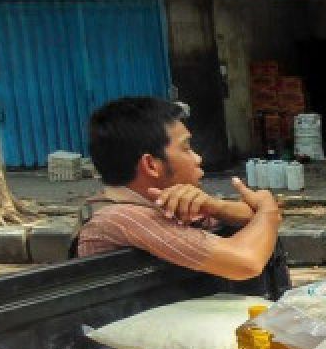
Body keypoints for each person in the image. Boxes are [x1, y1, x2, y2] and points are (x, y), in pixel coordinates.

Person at [77, 97, 282, 281]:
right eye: (186, 148)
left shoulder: (162, 203)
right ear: (150, 165)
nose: (198, 158)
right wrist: (269, 209)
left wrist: (214, 206)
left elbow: (251, 216)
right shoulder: (121, 218)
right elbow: (246, 262)